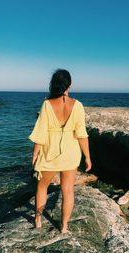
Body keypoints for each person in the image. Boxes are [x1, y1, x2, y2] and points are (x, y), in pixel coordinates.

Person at [28, 69, 92, 233]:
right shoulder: (77, 105)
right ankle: (64, 226)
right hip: (71, 153)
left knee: (42, 186)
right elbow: (81, 134)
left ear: (54, 84)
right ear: (70, 84)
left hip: (50, 153)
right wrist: (87, 157)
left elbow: (40, 132)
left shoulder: (47, 104)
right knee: (68, 190)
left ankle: (38, 220)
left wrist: (35, 154)